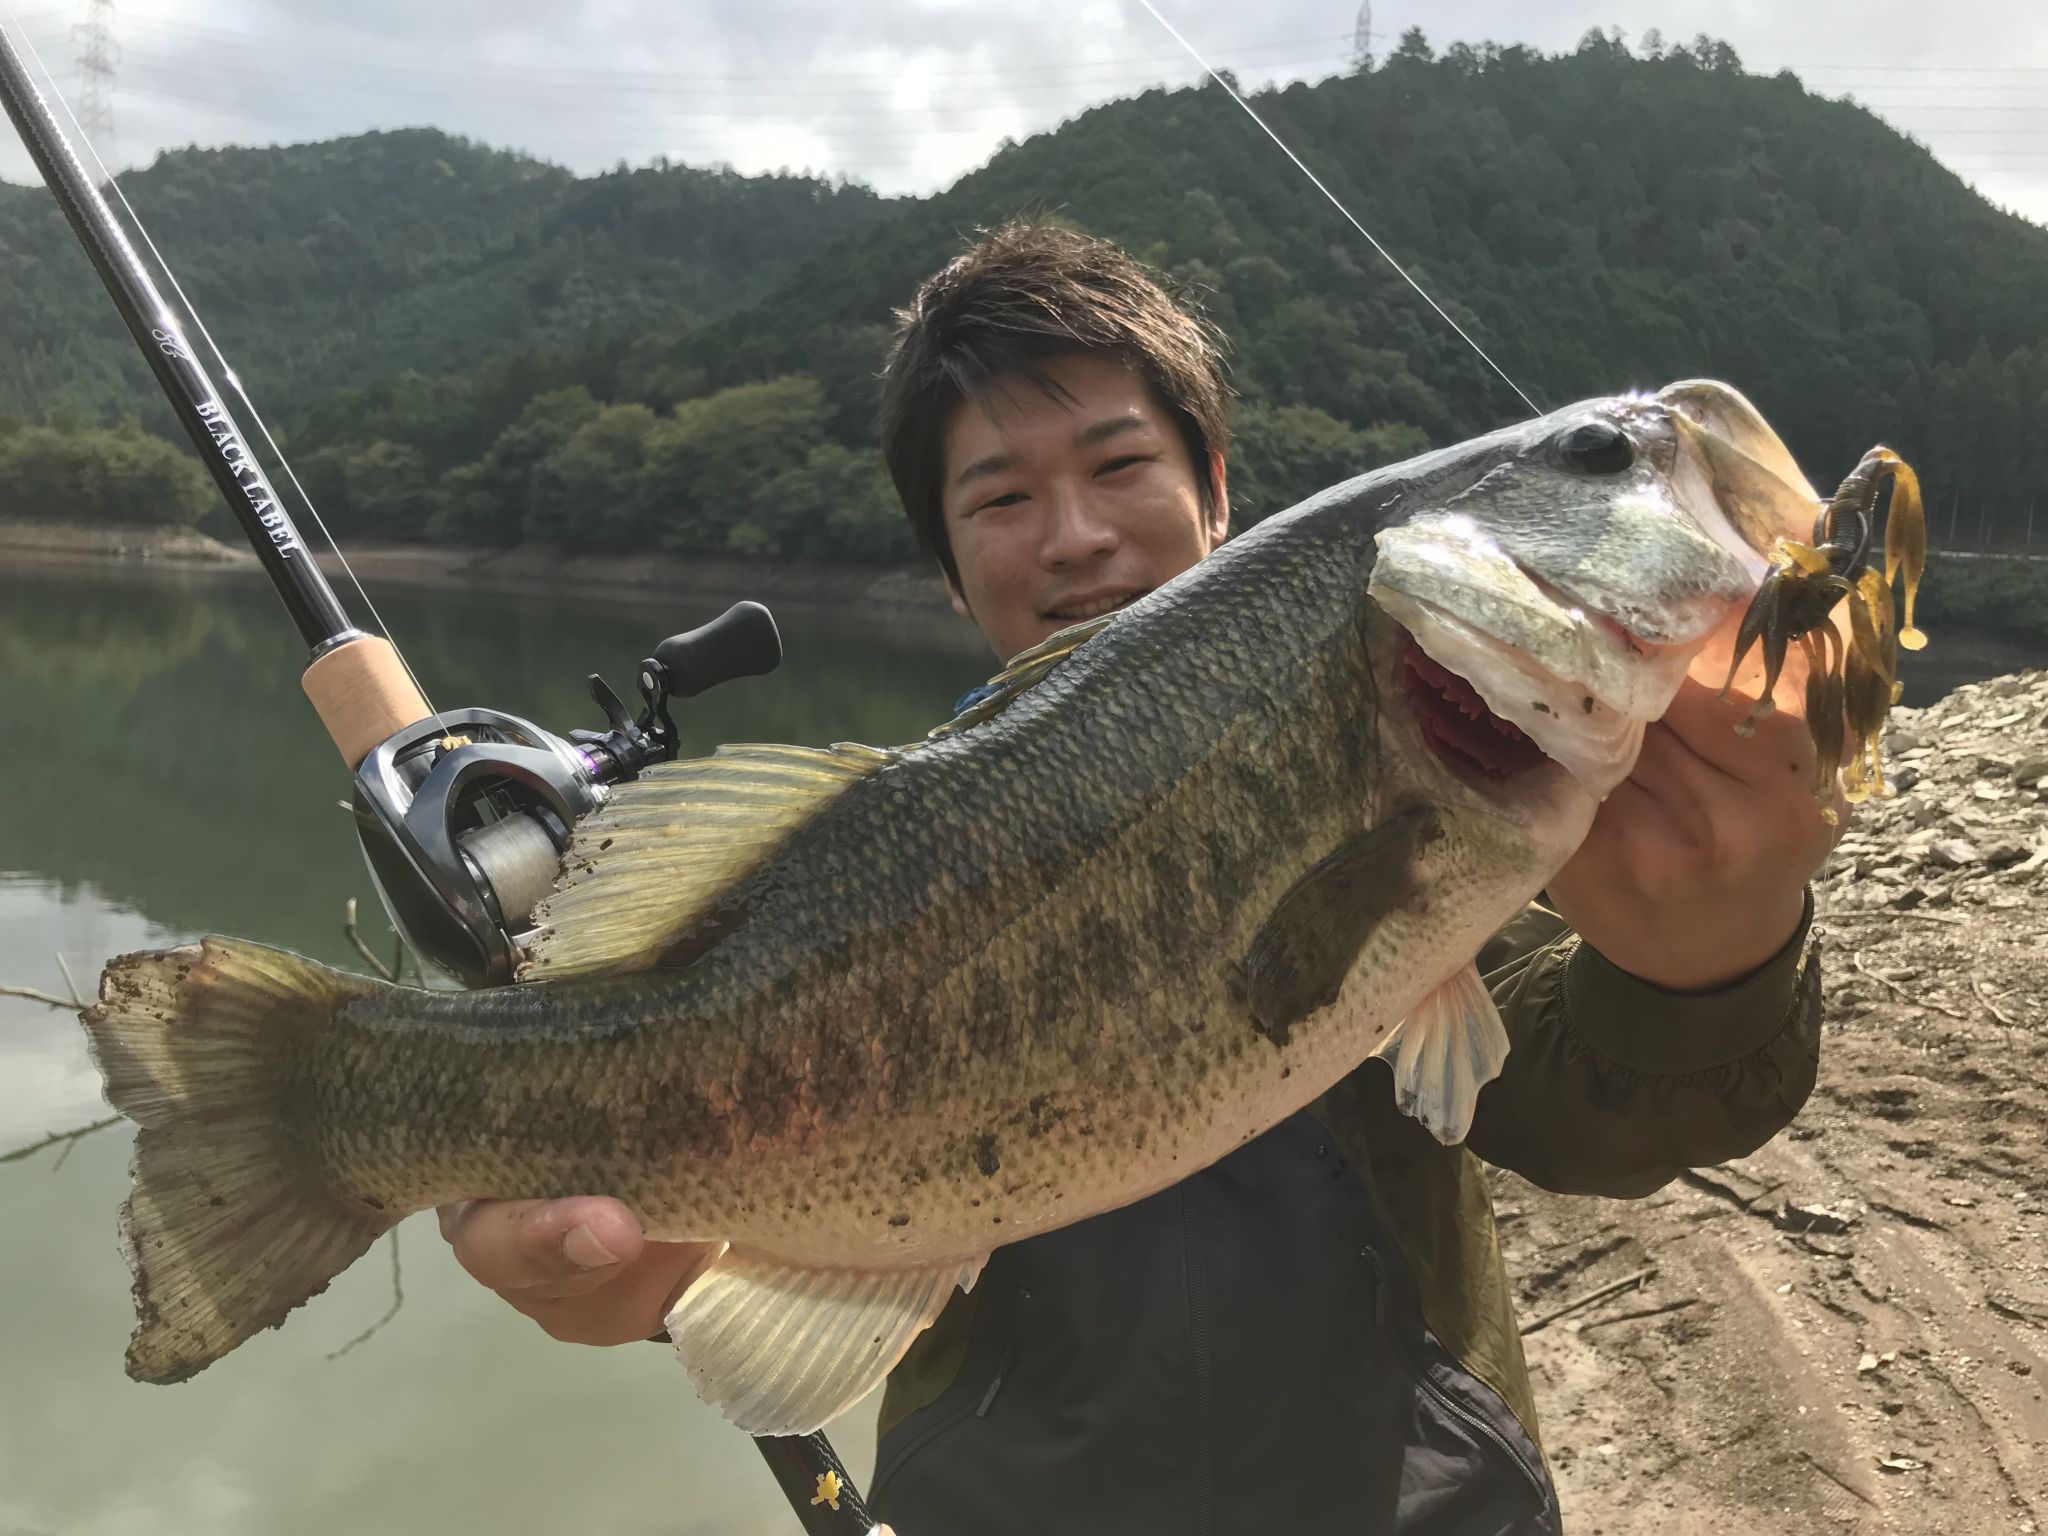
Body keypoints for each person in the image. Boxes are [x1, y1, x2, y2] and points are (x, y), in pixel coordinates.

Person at [439, 223, 1837, 1532]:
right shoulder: (874, 853)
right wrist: (612, 1255)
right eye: (1001, 495)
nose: (1075, 533)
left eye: (1118, 466)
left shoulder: (1441, 759)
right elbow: (694, 1267)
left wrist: (1706, 966)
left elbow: (1597, 1105)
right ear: (944, 565)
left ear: (1217, 491)